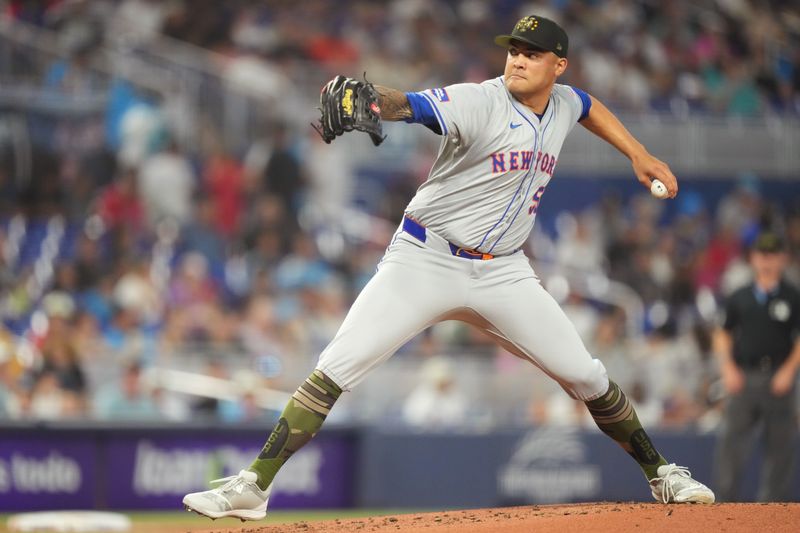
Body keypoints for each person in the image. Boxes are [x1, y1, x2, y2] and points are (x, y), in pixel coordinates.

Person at [183, 15, 714, 520]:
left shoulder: (564, 102)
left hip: (504, 272)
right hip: (425, 258)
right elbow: (412, 105)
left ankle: (661, 472)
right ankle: (253, 486)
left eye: (533, 54)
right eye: (513, 51)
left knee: (586, 374)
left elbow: (588, 106)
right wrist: (375, 101)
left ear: (559, 66)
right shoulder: (480, 100)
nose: (518, 61)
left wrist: (638, 153)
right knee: (336, 366)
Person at [713, 231, 800, 501]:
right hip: (744, 375)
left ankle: (772, 509)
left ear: (782, 259)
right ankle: (724, 504)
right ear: (753, 258)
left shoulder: (792, 295)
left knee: (780, 447)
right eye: (762, 255)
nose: (767, 261)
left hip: (779, 377)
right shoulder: (740, 296)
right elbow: (722, 333)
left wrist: (788, 370)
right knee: (731, 443)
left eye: (773, 255)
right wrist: (728, 368)